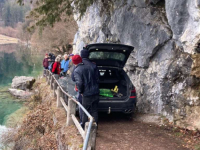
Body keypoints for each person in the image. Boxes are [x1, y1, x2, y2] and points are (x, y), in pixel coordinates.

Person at [71, 54, 99, 129]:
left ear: (74, 62)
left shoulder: (77, 70)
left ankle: (83, 128)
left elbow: (79, 83)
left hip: (87, 94)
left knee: (84, 111)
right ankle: (95, 128)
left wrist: (81, 91)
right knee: (94, 110)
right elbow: (96, 78)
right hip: (95, 92)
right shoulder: (90, 66)